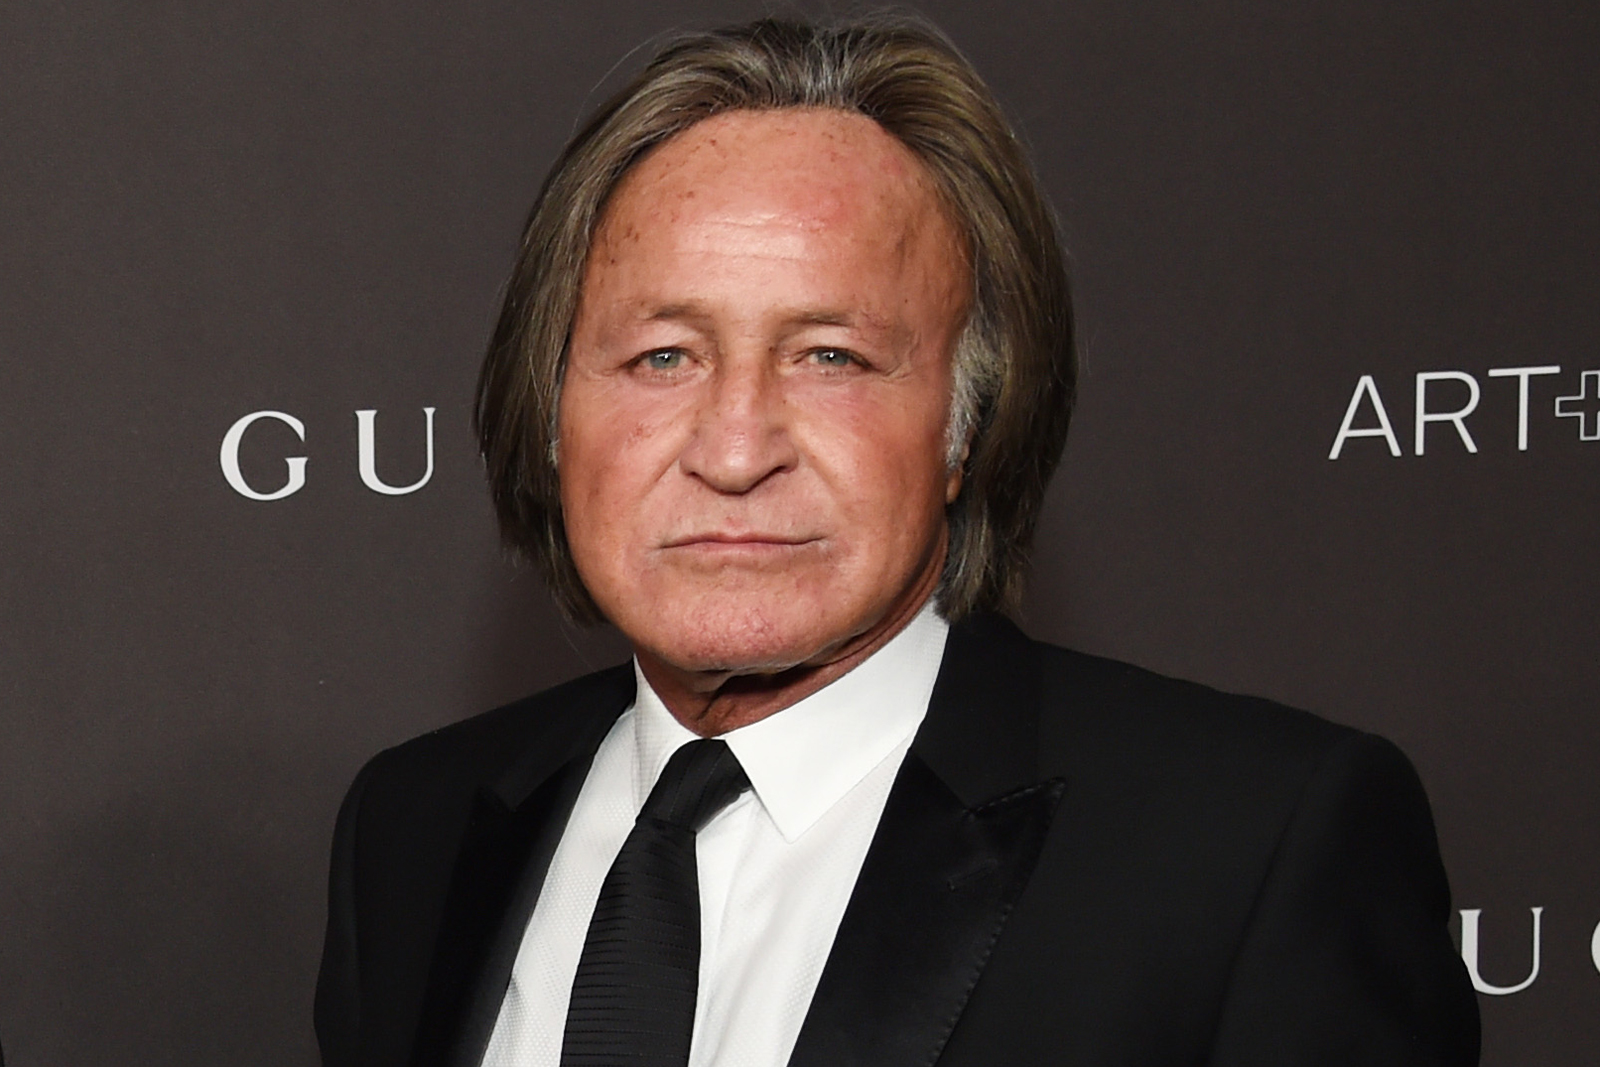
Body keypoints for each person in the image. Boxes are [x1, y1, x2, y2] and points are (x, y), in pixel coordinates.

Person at [315, 15, 1479, 1067]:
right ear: (553, 412)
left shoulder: (1246, 849)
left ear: (968, 424)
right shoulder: (414, 829)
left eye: (831, 356)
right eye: (662, 355)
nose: (735, 448)